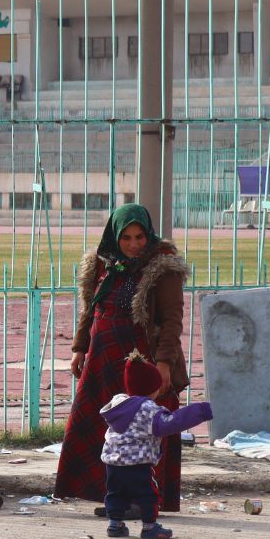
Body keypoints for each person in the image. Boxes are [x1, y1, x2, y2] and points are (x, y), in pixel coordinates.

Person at [56, 203, 190, 513]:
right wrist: (80, 347)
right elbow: (90, 308)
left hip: (140, 364)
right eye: (126, 237)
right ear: (115, 236)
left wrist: (164, 363)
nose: (133, 245)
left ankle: (140, 501)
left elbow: (172, 320)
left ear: (148, 235)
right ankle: (112, 496)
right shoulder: (103, 265)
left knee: (140, 432)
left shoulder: (162, 266)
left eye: (139, 237)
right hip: (103, 362)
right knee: (105, 432)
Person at [100, 352, 213, 539]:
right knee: (148, 495)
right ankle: (149, 526)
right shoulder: (147, 408)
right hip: (138, 463)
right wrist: (199, 411)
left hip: (113, 463)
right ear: (151, 388)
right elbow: (166, 425)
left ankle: (115, 525)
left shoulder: (118, 403)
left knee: (115, 493)